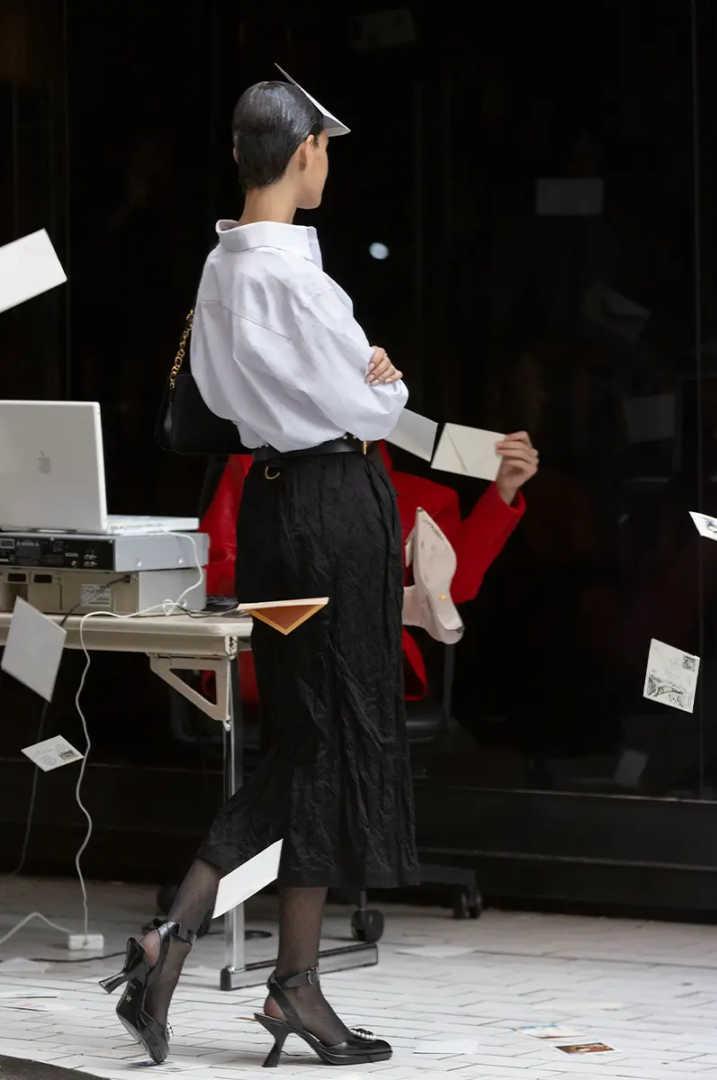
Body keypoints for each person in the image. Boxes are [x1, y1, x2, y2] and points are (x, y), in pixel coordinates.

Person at [100, 73, 418, 1069]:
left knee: (302, 748)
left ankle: (220, 960)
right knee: (320, 747)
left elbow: (232, 403)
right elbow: (374, 407)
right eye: (328, 147)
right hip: (332, 508)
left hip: (277, 506)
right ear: (306, 153)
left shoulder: (222, 268)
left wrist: (362, 379)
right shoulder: (293, 277)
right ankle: (274, 978)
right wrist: (384, 377)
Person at [199, 435, 536, 706]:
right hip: (266, 649)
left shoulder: (426, 497)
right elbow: (215, 575)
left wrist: (503, 491)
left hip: (368, 659)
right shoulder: (255, 467)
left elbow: (453, 590)